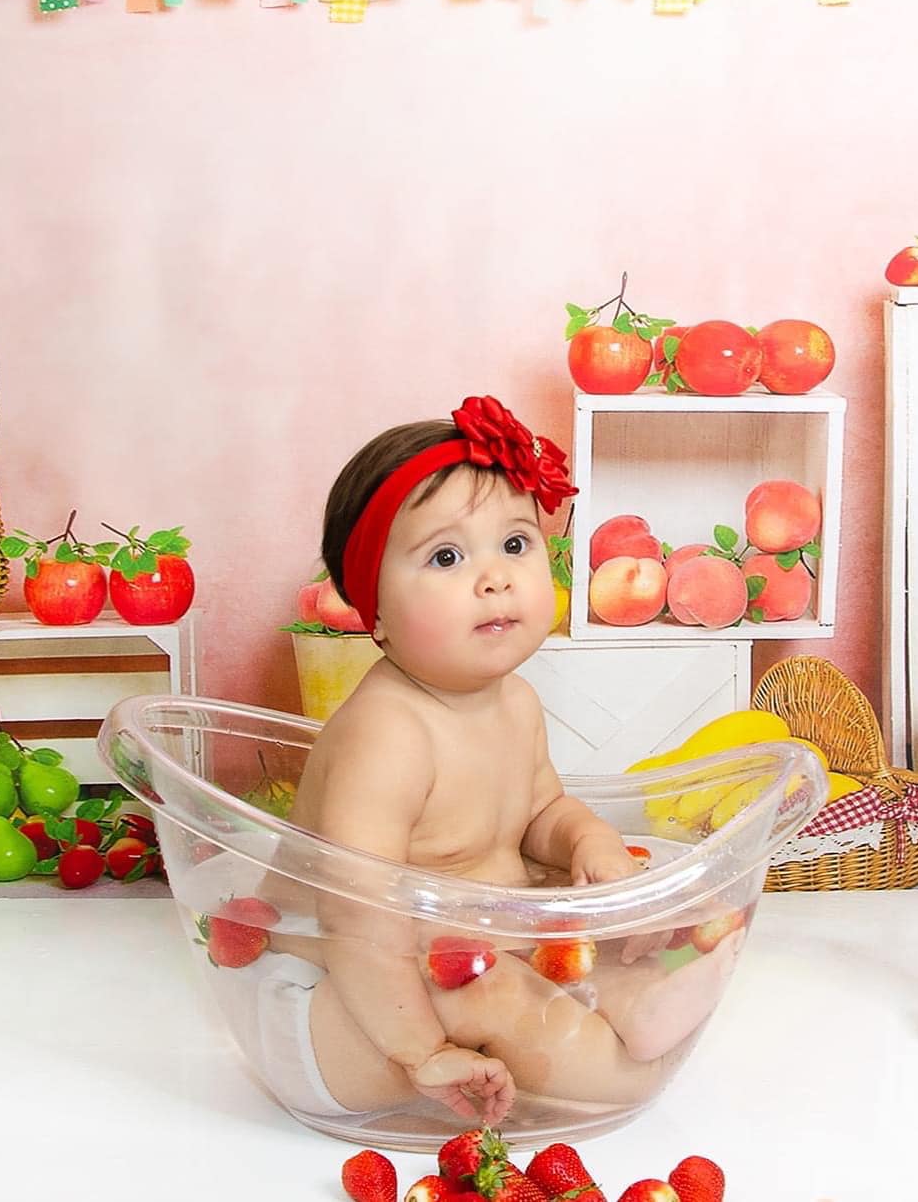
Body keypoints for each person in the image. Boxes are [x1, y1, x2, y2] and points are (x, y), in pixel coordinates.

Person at [247, 396, 745, 1126]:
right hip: (334, 1002)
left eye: (515, 545)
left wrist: (587, 842)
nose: (495, 577)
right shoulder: (386, 734)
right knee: (477, 982)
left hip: (444, 955)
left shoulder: (513, 702)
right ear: (372, 610)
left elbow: (539, 810)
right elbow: (357, 919)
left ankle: (640, 1001)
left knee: (571, 909)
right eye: (447, 556)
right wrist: (422, 1051)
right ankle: (621, 1075)